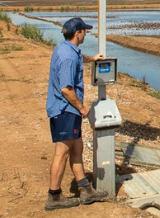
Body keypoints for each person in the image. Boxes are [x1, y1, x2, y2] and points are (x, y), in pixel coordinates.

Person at [45, 17, 111, 210]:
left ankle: (85, 190)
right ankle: (54, 196)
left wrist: (92, 59)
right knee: (63, 151)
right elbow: (66, 89)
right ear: (77, 33)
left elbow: (78, 58)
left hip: (69, 110)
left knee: (77, 148)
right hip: (65, 110)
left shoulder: (66, 49)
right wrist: (82, 108)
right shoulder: (67, 57)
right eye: (84, 31)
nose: (85, 33)